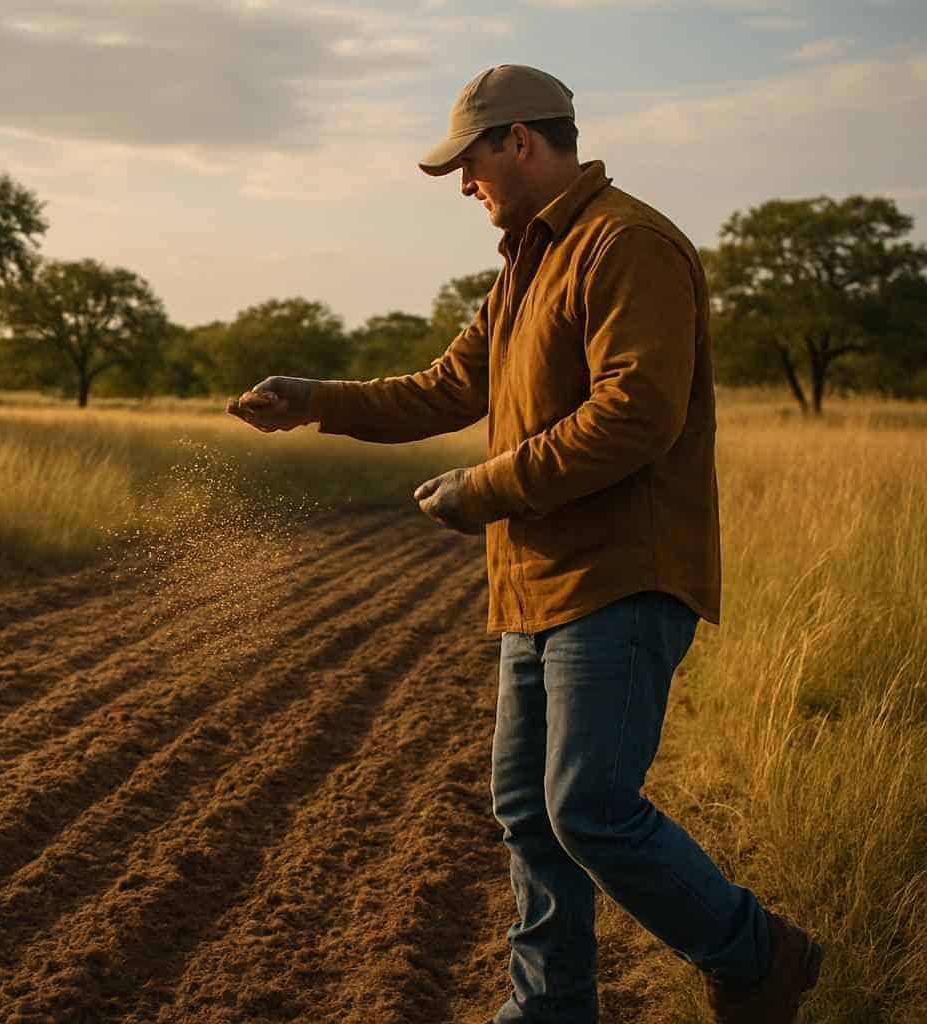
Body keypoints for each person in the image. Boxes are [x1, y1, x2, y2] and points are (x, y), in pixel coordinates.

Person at [227, 64, 822, 1024]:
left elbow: (635, 415)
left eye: (470, 163)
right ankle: (549, 1009)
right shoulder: (524, 267)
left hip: (621, 578)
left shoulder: (627, 245)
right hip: (533, 586)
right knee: (529, 818)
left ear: (520, 142)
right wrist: (315, 402)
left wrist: (485, 488)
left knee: (588, 808)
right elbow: (442, 391)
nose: (466, 185)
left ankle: (759, 956)